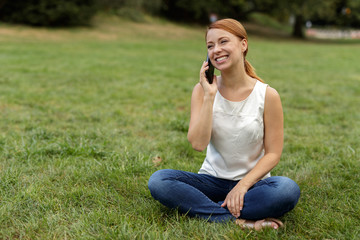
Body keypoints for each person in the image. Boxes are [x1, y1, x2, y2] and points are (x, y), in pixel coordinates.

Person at [148, 18, 300, 230]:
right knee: (159, 180)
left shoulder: (268, 95)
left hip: (253, 185)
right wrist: (210, 96)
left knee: (286, 189)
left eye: (223, 42)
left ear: (243, 44)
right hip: (211, 181)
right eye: (210, 46)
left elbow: (273, 153)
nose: (216, 50)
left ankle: (207, 210)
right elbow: (198, 144)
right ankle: (239, 220)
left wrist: (242, 185)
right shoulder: (202, 90)